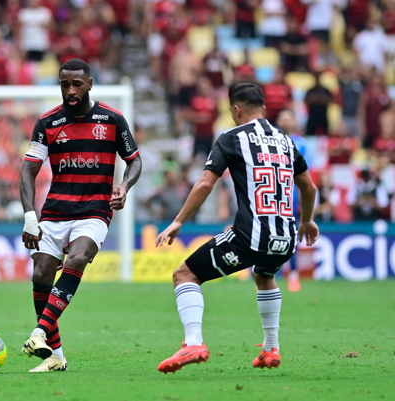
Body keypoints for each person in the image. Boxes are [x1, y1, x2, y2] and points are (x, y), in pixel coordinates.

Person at [154, 83, 319, 373]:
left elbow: (206, 182)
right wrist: (306, 219)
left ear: (236, 109)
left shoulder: (231, 138)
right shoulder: (286, 141)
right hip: (285, 237)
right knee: (264, 275)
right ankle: (270, 348)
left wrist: (179, 220)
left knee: (185, 275)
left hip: (250, 235)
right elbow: (308, 186)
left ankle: (193, 343)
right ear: (264, 110)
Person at [19, 59, 142, 372]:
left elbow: (135, 161)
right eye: (64, 85)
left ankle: (38, 333)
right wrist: (30, 217)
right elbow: (28, 170)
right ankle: (56, 356)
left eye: (76, 84)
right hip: (55, 211)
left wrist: (125, 186)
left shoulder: (113, 119)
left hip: (94, 211)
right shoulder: (47, 123)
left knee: (77, 257)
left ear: (89, 84)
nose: (70, 91)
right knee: (41, 274)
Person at [276, 109, 307, 292]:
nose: (286, 121)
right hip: (273, 197)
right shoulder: (271, 141)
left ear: (294, 122)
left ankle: (293, 274)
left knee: (291, 237)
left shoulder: (301, 144)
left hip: (292, 199)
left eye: (289, 118)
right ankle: (267, 274)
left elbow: (306, 175)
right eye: (283, 118)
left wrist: (304, 201)